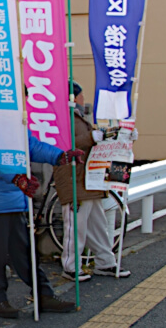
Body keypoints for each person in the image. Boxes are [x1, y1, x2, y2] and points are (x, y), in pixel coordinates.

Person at [0, 131, 84, 318]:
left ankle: (43, 293)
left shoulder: (16, 121)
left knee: (24, 251)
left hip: (15, 195)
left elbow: (31, 146)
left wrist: (59, 156)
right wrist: (16, 178)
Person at [54, 81, 131, 281]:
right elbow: (64, 144)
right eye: (80, 94)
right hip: (74, 177)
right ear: (73, 97)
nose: (83, 98)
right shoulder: (62, 118)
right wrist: (92, 137)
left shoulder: (77, 117)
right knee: (76, 227)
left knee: (97, 225)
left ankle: (106, 262)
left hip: (88, 179)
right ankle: (71, 266)